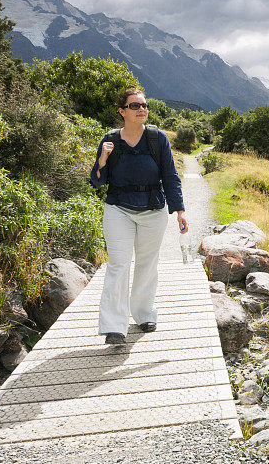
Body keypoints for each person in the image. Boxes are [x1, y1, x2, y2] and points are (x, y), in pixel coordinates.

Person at [90, 87, 188, 344]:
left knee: (147, 263)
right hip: (118, 209)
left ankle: (144, 315)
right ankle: (113, 327)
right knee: (118, 264)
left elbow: (170, 176)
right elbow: (97, 181)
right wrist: (102, 160)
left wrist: (179, 210)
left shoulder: (158, 139)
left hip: (153, 210)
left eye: (144, 105)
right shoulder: (110, 140)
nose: (142, 109)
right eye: (135, 106)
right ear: (122, 111)